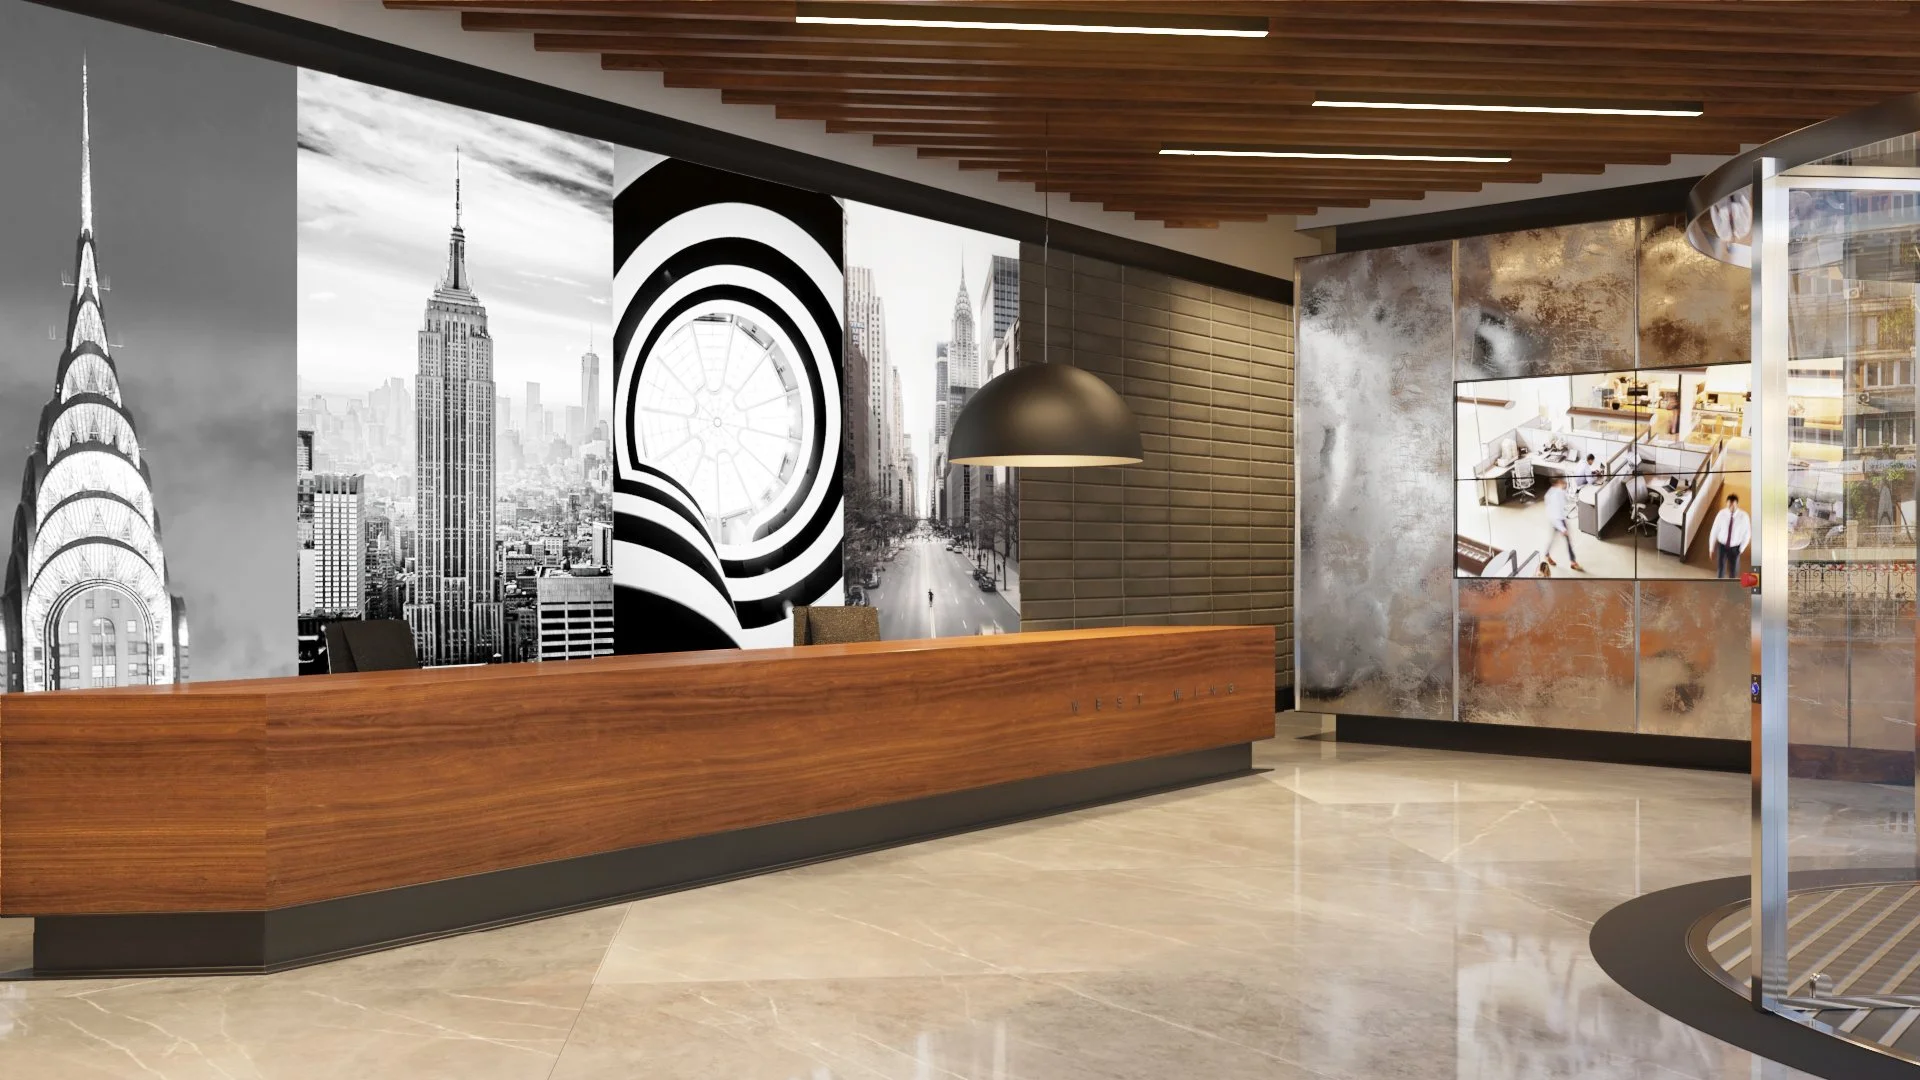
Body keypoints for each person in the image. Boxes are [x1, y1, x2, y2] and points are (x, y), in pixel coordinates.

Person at [1543, 475, 1582, 572]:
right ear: (1557, 483)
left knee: (1556, 539)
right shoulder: (1554, 495)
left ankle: (1547, 554)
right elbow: (1553, 514)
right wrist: (1562, 528)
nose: (1564, 482)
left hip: (1560, 519)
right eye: (1562, 481)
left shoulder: (1558, 492)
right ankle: (1573, 562)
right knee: (1565, 541)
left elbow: (1564, 502)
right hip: (1557, 521)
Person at [1710, 493, 1751, 579]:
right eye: (1729, 506)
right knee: (1720, 569)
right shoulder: (1721, 514)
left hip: (1735, 548)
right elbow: (1714, 530)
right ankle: (1720, 583)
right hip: (1722, 546)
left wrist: (1741, 549)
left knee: (1733, 571)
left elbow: (1747, 533)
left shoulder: (1744, 516)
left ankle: (1731, 585)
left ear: (1737, 504)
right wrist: (1711, 548)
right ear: (1727, 504)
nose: (1731, 508)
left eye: (1733, 506)